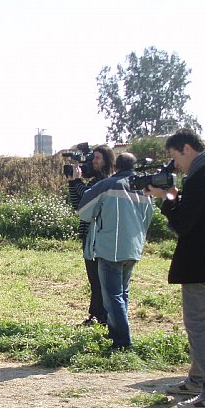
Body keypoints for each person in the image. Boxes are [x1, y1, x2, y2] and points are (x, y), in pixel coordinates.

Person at [145, 128, 205, 408]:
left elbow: (184, 224)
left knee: (197, 326)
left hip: (202, 262)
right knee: (201, 325)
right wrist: (173, 194)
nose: (176, 165)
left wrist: (165, 198)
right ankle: (197, 381)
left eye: (175, 157)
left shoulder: (203, 176)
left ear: (187, 148)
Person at [78, 152, 154, 350]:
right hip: (133, 248)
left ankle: (121, 341)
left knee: (112, 296)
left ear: (115, 167)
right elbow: (148, 219)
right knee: (123, 293)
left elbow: (84, 212)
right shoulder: (144, 189)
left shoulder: (107, 185)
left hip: (110, 248)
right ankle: (116, 333)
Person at [67, 145, 116, 326]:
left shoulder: (105, 182)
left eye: (97, 158)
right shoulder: (95, 181)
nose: (94, 162)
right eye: (93, 158)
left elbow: (89, 196)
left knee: (98, 279)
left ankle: (101, 317)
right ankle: (97, 316)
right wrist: (73, 182)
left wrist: (78, 182)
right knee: (94, 279)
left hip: (99, 235)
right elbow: (79, 204)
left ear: (107, 161)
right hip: (90, 235)